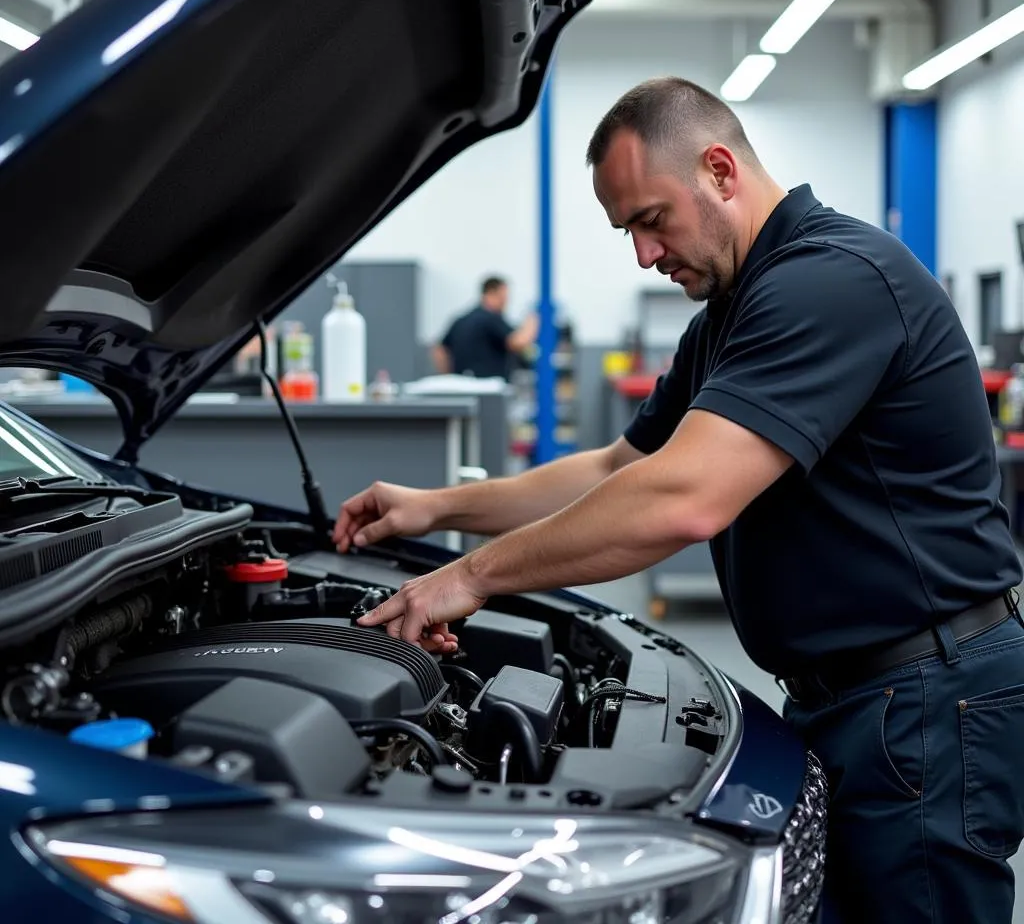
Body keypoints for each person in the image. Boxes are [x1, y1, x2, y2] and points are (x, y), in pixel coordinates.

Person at [332, 76, 1024, 924]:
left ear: (722, 171)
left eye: (652, 220)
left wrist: (470, 578)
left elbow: (682, 500)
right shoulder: (732, 312)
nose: (644, 256)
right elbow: (617, 468)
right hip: (854, 696)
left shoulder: (831, 280)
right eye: (627, 230)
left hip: (921, 697)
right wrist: (435, 508)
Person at [431, 276, 538, 380]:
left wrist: (450, 378)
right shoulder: (491, 319)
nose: (506, 302)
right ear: (491, 293)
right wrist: (533, 319)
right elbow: (517, 342)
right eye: (503, 297)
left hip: (463, 387)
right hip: (489, 389)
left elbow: (439, 350)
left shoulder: (461, 320)